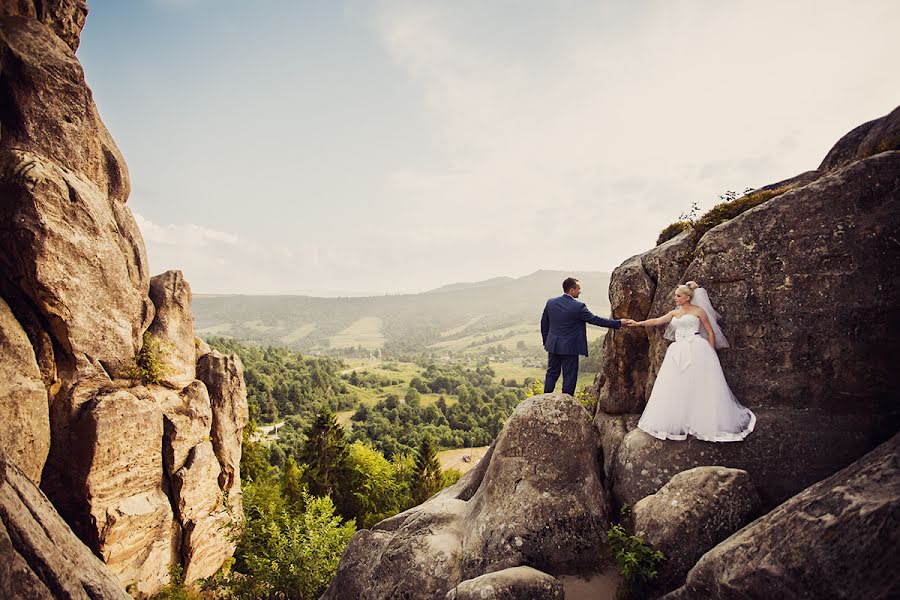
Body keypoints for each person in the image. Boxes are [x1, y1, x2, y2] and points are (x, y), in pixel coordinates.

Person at [626, 281, 755, 442]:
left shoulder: (699, 312)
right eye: (675, 295)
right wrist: (637, 323)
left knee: (699, 384)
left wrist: (710, 351)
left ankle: (701, 420)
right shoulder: (675, 313)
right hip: (678, 350)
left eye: (678, 296)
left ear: (687, 297)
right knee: (676, 383)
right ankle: (679, 419)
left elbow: (710, 332)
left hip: (697, 348)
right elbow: (657, 321)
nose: (675, 298)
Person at [541, 277, 634, 395]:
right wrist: (618, 323)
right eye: (578, 289)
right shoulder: (578, 307)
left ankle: (545, 397)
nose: (580, 291)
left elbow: (544, 324)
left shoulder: (551, 303)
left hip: (553, 345)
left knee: (551, 373)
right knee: (569, 375)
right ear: (571, 290)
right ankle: (567, 400)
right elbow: (595, 320)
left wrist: (547, 342)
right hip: (570, 348)